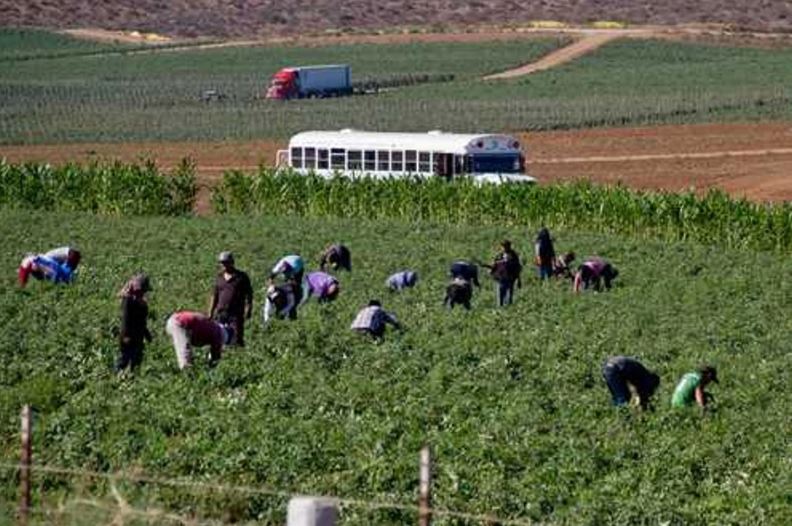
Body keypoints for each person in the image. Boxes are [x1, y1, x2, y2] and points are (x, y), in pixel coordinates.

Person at [209, 252, 253, 347]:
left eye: (226, 262)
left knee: (237, 338)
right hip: (221, 313)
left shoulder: (241, 277)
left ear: (232, 262)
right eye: (222, 263)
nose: (223, 265)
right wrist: (210, 312)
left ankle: (239, 356)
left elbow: (249, 294)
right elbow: (214, 295)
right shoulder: (219, 277)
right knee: (218, 338)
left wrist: (248, 308)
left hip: (236, 314)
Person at [165, 310, 233, 370]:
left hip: (174, 320)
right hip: (180, 323)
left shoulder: (214, 326)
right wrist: (211, 368)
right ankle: (187, 376)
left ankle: (182, 372)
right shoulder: (218, 334)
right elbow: (215, 356)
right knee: (185, 355)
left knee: (183, 350)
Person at [116, 273, 153, 372]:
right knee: (124, 359)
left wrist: (147, 335)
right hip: (128, 336)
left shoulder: (140, 302)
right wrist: (126, 336)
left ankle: (132, 379)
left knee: (136, 361)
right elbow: (126, 319)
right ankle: (115, 377)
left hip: (138, 337)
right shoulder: (128, 301)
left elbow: (142, 321)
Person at [488, 240, 522, 307]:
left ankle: (508, 309)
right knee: (500, 298)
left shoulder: (514, 256)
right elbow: (494, 266)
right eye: (503, 247)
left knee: (509, 298)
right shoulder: (499, 256)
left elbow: (517, 268)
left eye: (506, 246)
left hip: (510, 279)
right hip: (501, 279)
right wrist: (491, 270)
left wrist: (519, 279)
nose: (504, 248)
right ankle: (501, 310)